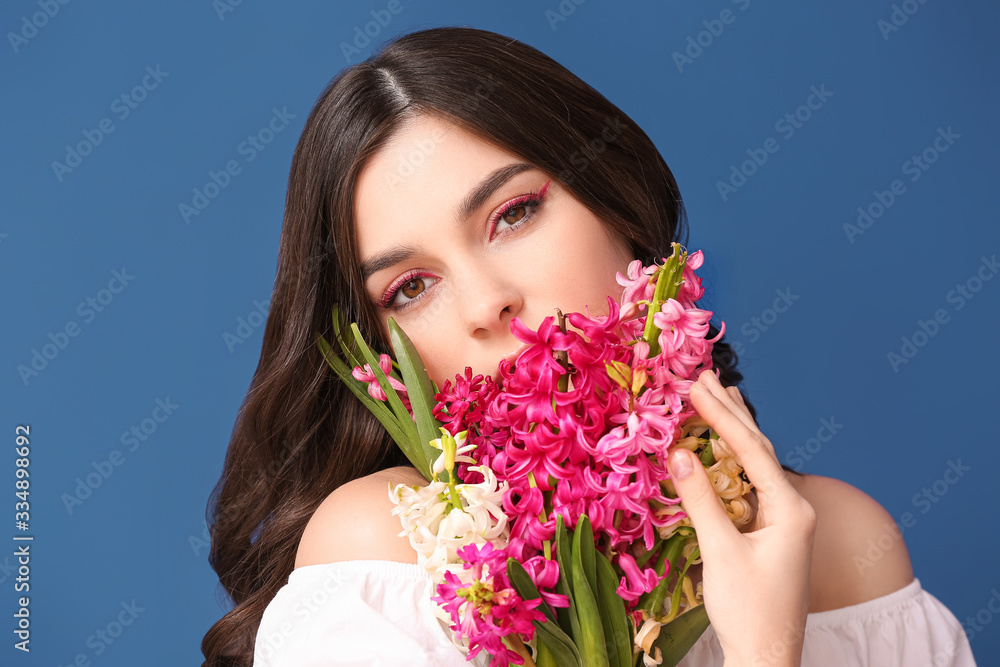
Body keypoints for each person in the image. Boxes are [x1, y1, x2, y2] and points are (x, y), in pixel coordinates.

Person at [201, 26, 976, 667]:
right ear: (383, 358)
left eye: (513, 214)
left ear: (620, 208)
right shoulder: (386, 555)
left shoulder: (846, 548)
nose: (486, 301)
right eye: (411, 287)